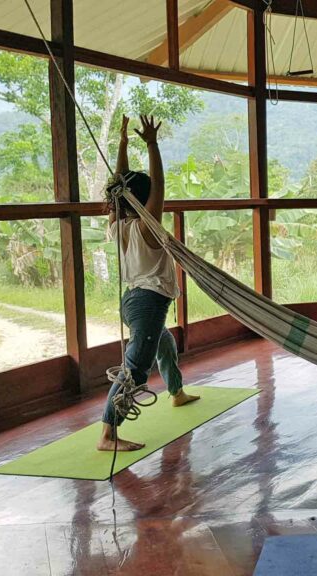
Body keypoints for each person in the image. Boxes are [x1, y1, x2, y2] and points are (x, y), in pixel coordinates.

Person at [98, 115, 198, 452]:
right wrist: (152, 143)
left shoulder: (118, 226)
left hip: (134, 302)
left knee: (163, 342)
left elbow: (119, 186)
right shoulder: (146, 227)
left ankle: (177, 392)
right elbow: (159, 185)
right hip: (148, 302)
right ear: (143, 200)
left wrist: (124, 144)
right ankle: (108, 435)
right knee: (136, 369)